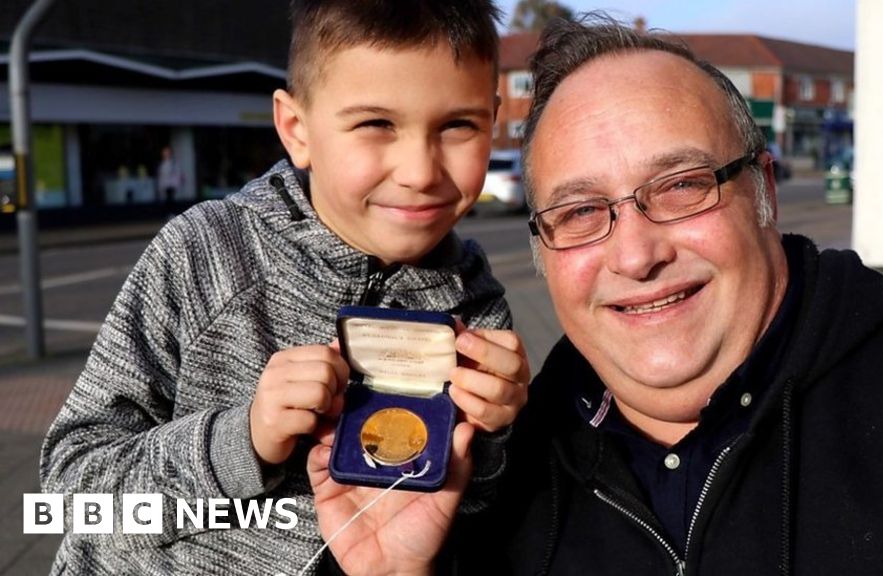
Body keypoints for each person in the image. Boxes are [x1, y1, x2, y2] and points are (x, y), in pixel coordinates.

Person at [310, 14, 883, 576]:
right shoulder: (493, 470)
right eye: (580, 211)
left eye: (682, 186)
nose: (636, 253)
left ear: (764, 193)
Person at [39, 1, 529, 574]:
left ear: (493, 121)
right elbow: (70, 498)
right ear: (297, 130)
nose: (420, 171)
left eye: (457, 125)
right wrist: (239, 441)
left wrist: (492, 441)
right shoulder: (204, 254)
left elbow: (474, 521)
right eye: (376, 124)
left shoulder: (476, 308)